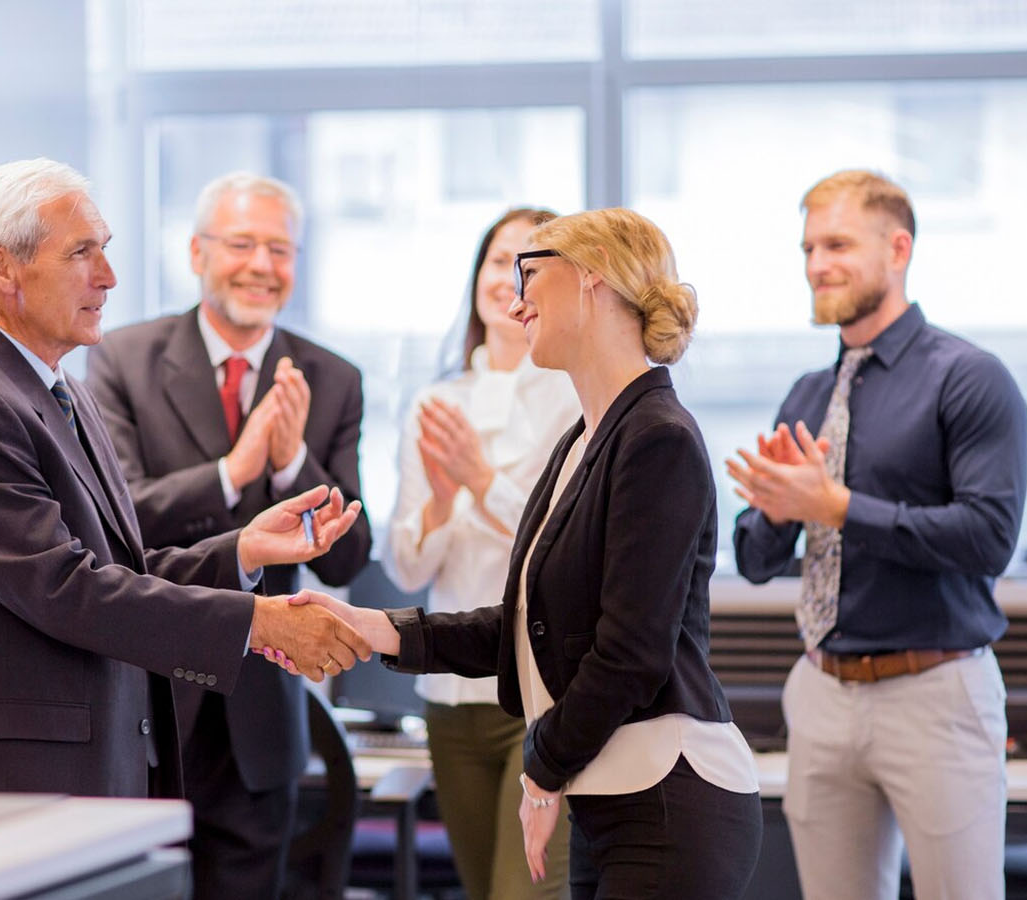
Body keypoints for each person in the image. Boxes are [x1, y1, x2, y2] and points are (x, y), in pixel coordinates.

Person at [276, 208, 763, 899]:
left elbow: (631, 655)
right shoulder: (584, 443)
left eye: (529, 274)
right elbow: (527, 625)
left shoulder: (659, 438)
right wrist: (377, 629)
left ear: (593, 279)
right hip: (612, 797)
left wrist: (540, 770)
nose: (514, 301)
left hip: (669, 798)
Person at [0, 158, 371, 802]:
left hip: (80, 773)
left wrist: (241, 551)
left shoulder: (63, 393)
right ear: (2, 270)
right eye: (81, 253)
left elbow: (118, 565)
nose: (108, 277)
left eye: (104, 250)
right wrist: (258, 621)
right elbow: (67, 589)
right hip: (6, 788)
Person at [727, 169, 1027, 900]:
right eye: (806, 248)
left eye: (836, 244)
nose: (815, 265)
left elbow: (989, 537)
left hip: (936, 692)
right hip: (821, 691)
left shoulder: (970, 378)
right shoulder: (808, 393)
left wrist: (836, 507)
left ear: (899, 248)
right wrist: (774, 511)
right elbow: (754, 560)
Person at [85, 171, 373, 899]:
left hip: (260, 718)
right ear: (196, 252)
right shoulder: (122, 358)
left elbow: (348, 561)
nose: (261, 265)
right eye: (242, 243)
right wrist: (231, 471)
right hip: (147, 706)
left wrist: (289, 469)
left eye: (280, 249)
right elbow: (115, 525)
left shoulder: (332, 378)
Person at [383, 208, 579, 900]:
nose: (511, 279)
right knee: (479, 889)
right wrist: (440, 500)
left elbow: (563, 550)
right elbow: (406, 567)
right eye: (499, 260)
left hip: (540, 696)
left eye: (532, 263)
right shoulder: (436, 401)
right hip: (449, 696)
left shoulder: (576, 395)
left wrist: (479, 479)